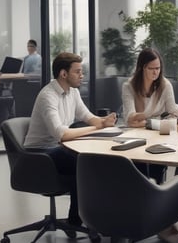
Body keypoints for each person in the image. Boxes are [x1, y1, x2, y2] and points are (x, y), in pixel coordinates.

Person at [25, 52, 117, 226]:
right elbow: (61, 133)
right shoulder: (48, 96)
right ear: (63, 74)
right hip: (39, 154)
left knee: (90, 160)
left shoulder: (72, 92)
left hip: (58, 148)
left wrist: (104, 122)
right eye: (78, 72)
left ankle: (85, 216)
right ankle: (79, 219)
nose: (82, 75)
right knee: (85, 162)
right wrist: (97, 127)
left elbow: (87, 116)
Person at [121, 47, 178, 243]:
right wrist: (156, 116)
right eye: (151, 68)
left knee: (159, 174)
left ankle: (162, 222)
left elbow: (174, 113)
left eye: (158, 68)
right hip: (135, 138)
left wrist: (155, 118)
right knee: (139, 176)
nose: (156, 72)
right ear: (142, 68)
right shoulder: (129, 87)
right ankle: (140, 219)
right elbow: (129, 118)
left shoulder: (165, 84)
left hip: (158, 135)